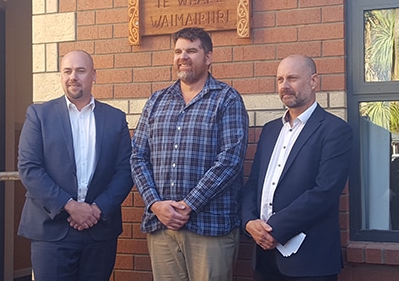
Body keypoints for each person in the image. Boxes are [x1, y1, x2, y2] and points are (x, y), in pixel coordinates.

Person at [130, 27, 249, 281]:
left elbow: (230, 160)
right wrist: (155, 204)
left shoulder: (227, 99)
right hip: (161, 228)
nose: (183, 56)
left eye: (191, 51)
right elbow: (138, 157)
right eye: (178, 51)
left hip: (210, 228)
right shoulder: (156, 101)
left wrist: (187, 205)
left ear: (208, 57)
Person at [17, 50, 133, 281]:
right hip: (51, 230)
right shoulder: (39, 115)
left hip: (99, 230)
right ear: (61, 76)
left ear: (94, 76)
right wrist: (70, 205)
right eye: (67, 71)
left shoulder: (115, 118)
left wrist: (96, 210)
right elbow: (29, 167)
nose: (73, 77)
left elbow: (125, 170)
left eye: (80, 70)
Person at [241, 54, 352, 281]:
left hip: (310, 262)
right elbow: (254, 184)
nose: (285, 86)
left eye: (292, 78)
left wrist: (273, 230)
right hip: (265, 258)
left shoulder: (335, 130)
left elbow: (325, 192)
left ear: (313, 81)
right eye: (280, 79)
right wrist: (248, 222)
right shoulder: (270, 130)